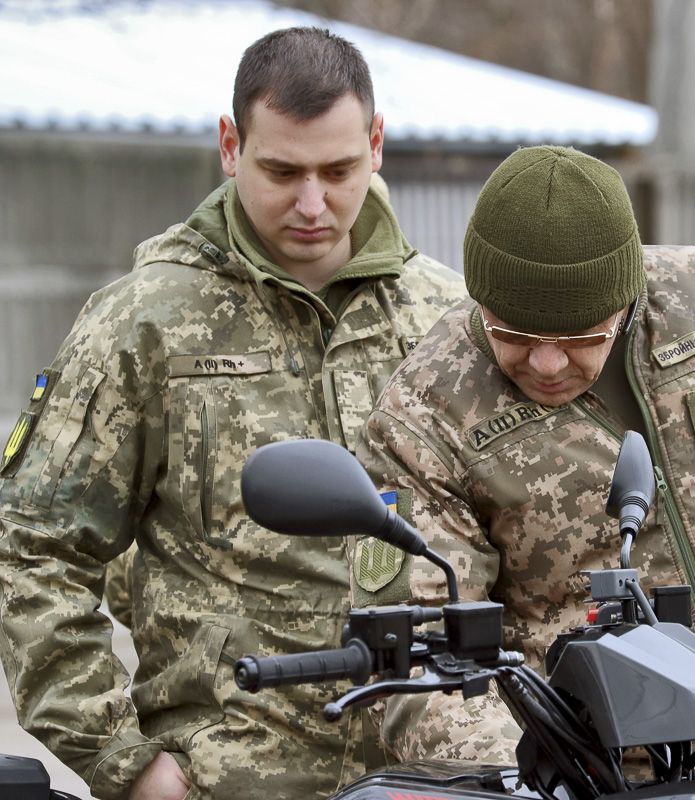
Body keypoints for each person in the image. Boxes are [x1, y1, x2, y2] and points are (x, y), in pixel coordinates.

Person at [0, 27, 466, 800]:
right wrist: (125, 762)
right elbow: (32, 548)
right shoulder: (147, 323)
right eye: (282, 170)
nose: (313, 203)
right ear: (230, 145)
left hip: (432, 776)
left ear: (377, 144)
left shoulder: (444, 318)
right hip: (231, 776)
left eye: (339, 169)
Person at [355, 144, 695, 777]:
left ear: (626, 297)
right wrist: (525, 783)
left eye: (582, 338)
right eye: (514, 334)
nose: (547, 364)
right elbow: (422, 653)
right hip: (599, 784)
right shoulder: (427, 412)